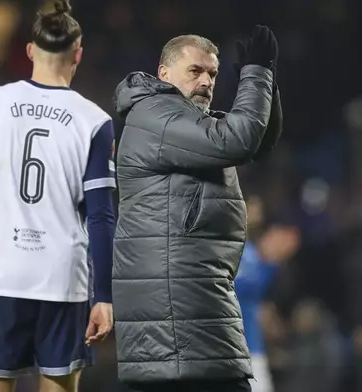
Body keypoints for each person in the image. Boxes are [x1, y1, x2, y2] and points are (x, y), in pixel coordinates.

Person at [0, 1, 116, 392]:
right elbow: (101, 217)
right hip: (60, 276)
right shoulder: (95, 121)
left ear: (29, 51)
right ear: (78, 54)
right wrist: (104, 296)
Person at [112, 26, 283, 392]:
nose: (206, 81)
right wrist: (255, 76)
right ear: (164, 74)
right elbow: (238, 139)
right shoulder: (156, 115)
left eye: (213, 74)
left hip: (192, 324)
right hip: (177, 334)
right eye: (195, 71)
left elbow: (259, 141)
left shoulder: (183, 124)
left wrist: (260, 74)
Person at [235, 196, 300, 392]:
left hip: (252, 349)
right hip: (226, 349)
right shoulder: (240, 255)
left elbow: (266, 307)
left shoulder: (270, 268)